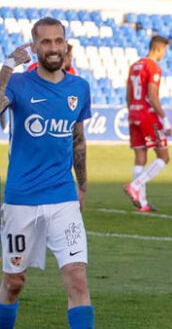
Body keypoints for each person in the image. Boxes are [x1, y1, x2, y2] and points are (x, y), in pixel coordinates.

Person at [0, 18, 94, 329]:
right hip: (21, 198)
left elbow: (77, 138)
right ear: (35, 45)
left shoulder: (79, 88)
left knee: (77, 279)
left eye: (58, 41)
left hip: (62, 197)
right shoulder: (18, 83)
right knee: (14, 282)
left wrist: (81, 184)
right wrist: (7, 66)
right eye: (46, 42)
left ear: (65, 45)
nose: (53, 48)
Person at [123, 36, 172, 212]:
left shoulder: (134, 66)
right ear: (158, 49)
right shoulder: (153, 67)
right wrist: (164, 119)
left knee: (140, 158)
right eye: (164, 50)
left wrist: (132, 111)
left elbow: (128, 94)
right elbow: (152, 96)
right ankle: (135, 185)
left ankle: (142, 203)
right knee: (164, 156)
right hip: (147, 115)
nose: (164, 54)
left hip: (133, 113)